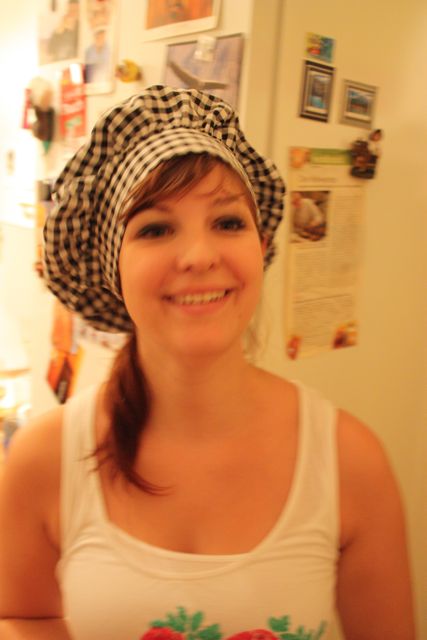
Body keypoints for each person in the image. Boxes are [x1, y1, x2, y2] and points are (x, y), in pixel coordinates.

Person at [0, 86, 415, 640]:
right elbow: (22, 616)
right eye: (155, 229)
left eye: (227, 223)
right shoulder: (43, 459)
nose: (199, 255)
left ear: (260, 246)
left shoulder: (349, 461)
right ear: (112, 267)